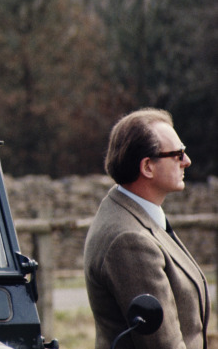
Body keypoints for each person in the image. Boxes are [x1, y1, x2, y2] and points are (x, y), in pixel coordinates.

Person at [84, 109, 210, 349]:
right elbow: (163, 345)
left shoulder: (133, 213)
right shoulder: (129, 240)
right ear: (147, 167)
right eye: (177, 154)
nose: (187, 161)